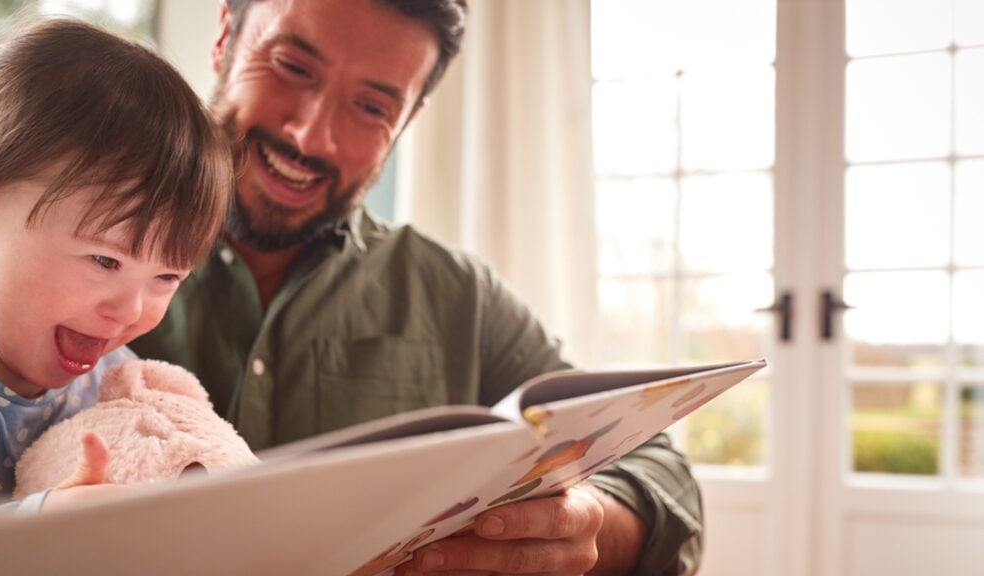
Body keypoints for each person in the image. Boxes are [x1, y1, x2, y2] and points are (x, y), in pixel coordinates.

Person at [131, 0, 702, 574]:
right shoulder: (70, 229)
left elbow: (660, 469)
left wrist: (581, 528)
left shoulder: (460, 298)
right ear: (226, 32)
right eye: (292, 67)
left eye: (372, 107)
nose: (313, 136)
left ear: (407, 120)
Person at [0, 18, 232, 574]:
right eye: (105, 260)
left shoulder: (115, 379)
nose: (132, 312)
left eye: (167, 277)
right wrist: (31, 533)